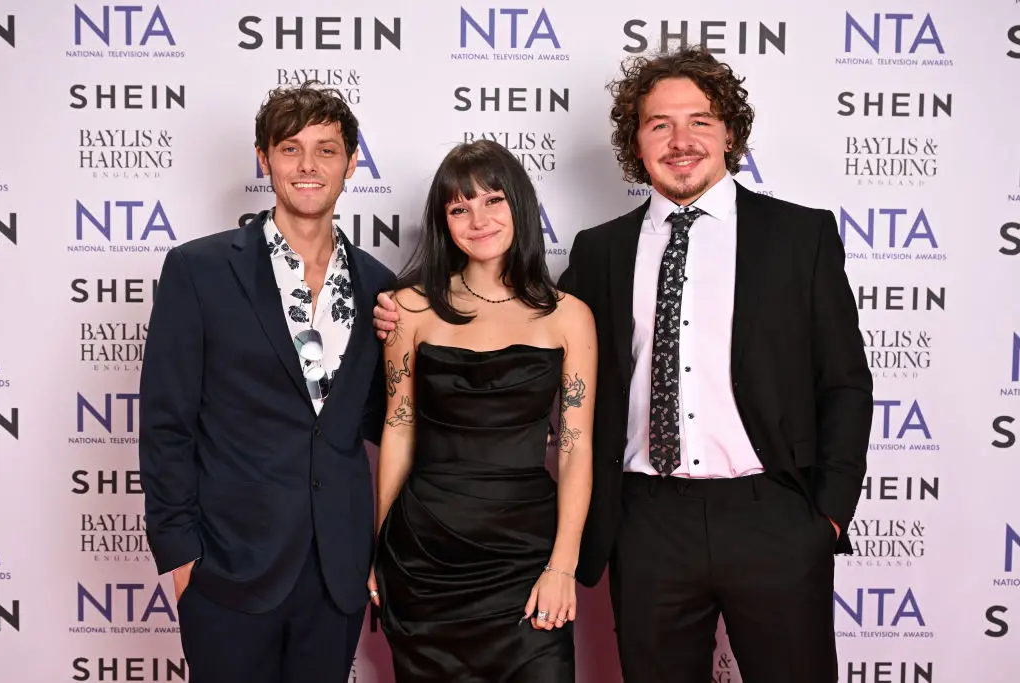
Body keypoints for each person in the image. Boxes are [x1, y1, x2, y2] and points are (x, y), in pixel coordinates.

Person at [373, 46, 871, 683]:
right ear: (635, 142)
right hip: (646, 522)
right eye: (659, 124)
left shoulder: (800, 237)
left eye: (699, 120)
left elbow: (847, 385)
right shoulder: (600, 251)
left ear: (730, 131)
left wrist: (824, 516)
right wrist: (401, 312)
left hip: (771, 513)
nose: (680, 140)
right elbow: (513, 323)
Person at [138, 81, 394, 683]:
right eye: (290, 149)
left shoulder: (381, 287)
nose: (308, 167)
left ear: (352, 162)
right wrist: (181, 555)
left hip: (336, 570)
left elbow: (382, 424)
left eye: (327, 150)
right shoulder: (198, 270)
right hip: (227, 565)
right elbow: (165, 420)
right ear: (264, 159)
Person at [367, 139, 597, 682]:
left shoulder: (569, 317)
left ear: (519, 204)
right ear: (443, 221)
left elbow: (576, 447)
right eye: (459, 208)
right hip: (425, 553)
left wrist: (563, 565)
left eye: (493, 200)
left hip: (525, 555)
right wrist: (381, 546)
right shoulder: (409, 308)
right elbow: (398, 428)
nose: (479, 219)